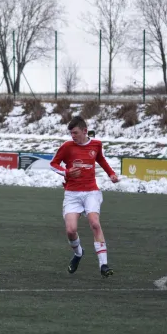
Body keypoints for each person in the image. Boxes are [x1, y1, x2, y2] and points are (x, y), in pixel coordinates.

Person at [50, 116, 119, 278]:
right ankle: (79, 253)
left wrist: (111, 174)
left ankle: (104, 265)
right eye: (71, 133)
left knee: (95, 223)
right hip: (72, 194)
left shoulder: (96, 144)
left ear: (85, 131)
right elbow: (53, 164)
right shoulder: (67, 147)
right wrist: (67, 172)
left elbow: (100, 159)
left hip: (91, 192)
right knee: (71, 230)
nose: (73, 136)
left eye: (75, 133)